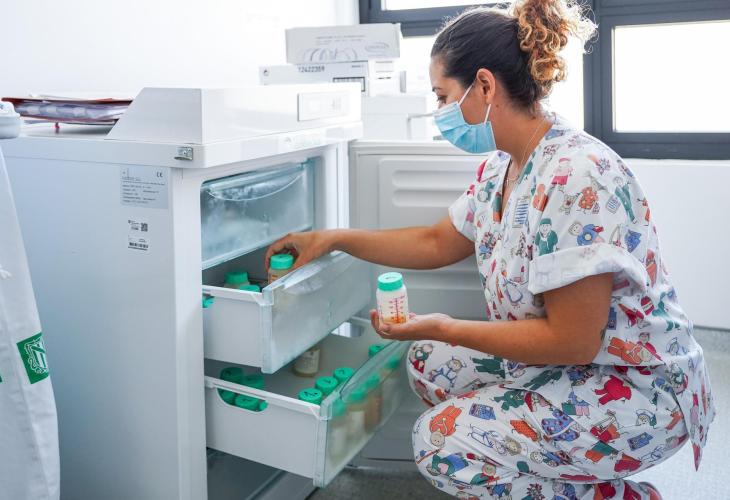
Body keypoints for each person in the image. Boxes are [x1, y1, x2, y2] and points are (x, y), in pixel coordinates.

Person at [265, 1, 715, 497]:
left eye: (442, 96)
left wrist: (445, 325)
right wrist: (333, 238)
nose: (439, 113)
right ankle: (575, 477)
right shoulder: (504, 166)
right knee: (428, 360)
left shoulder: (577, 175)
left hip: (636, 387)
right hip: (573, 366)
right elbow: (437, 241)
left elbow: (573, 340)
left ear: (483, 85)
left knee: (441, 444)